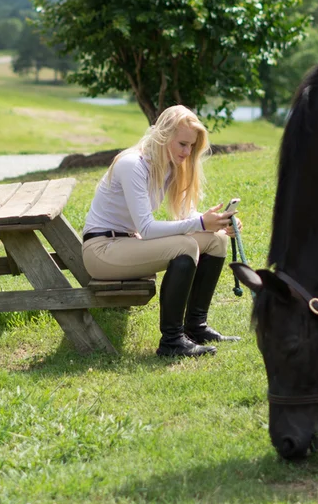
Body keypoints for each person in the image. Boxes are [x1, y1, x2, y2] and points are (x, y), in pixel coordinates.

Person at [81, 105, 241, 358]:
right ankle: (172, 341)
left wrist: (218, 223)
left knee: (217, 241)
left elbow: (187, 215)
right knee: (186, 246)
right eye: (182, 144)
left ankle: (196, 327)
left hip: (128, 245)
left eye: (191, 146)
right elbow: (147, 228)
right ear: (164, 136)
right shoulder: (133, 164)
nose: (187, 152)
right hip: (102, 251)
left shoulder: (168, 166)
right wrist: (201, 223)